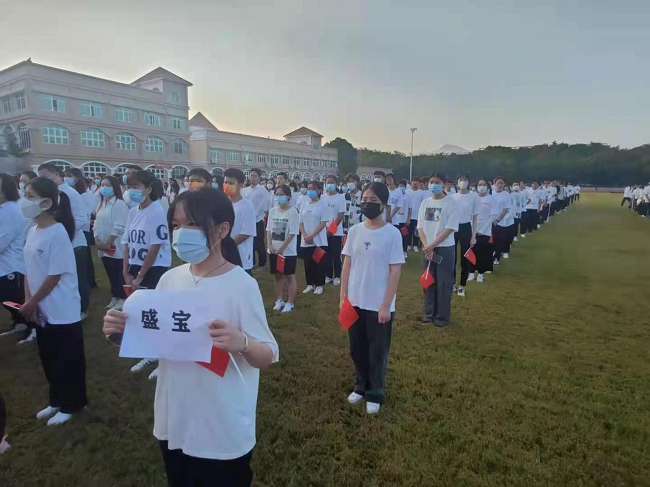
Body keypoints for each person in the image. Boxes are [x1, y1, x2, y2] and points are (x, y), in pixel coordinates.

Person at [103, 188, 278, 486]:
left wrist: (242, 343)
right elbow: (160, 342)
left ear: (222, 229)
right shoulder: (170, 279)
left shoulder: (241, 285)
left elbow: (268, 355)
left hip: (221, 426)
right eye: (176, 224)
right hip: (175, 418)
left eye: (192, 224)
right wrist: (121, 333)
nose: (181, 233)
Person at [20, 177, 87, 426]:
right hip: (40, 306)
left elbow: (54, 275)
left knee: (68, 358)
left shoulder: (58, 233)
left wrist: (33, 301)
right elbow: (29, 270)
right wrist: (28, 300)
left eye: (29, 196)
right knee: (49, 356)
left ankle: (74, 403)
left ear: (46, 203)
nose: (24, 201)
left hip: (61, 307)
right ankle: (57, 399)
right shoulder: (32, 231)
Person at [340, 182, 404, 415]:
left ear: (383, 204)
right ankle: (361, 385)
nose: (367, 204)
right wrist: (343, 297)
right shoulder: (355, 231)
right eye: (364, 200)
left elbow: (395, 271)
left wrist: (386, 305)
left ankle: (375, 392)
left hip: (378, 304)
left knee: (377, 350)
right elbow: (347, 265)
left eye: (373, 201)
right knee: (356, 348)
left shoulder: (392, 233)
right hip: (355, 301)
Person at [122, 170, 172, 377]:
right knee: (143, 312)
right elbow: (127, 242)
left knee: (156, 312)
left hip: (154, 269)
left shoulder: (156, 212)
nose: (131, 191)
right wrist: (126, 271)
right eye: (129, 186)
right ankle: (151, 352)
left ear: (148, 189)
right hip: (135, 266)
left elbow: (155, 247)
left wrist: (141, 275)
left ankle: (163, 355)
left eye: (136, 186)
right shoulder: (133, 212)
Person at [38, 163, 90, 319]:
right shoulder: (50, 195)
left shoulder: (70, 194)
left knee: (79, 279)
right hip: (58, 245)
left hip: (75, 244)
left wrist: (63, 234)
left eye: (45, 177)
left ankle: (82, 309)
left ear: (55, 174)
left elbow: (81, 219)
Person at [417, 173, 459, 326]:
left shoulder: (451, 202)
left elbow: (450, 227)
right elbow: (420, 226)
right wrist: (426, 246)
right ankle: (429, 313)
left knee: (444, 283)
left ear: (444, 184)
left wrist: (432, 245)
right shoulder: (425, 203)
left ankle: (441, 317)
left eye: (437, 182)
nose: (433, 185)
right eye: (431, 182)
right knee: (428, 281)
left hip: (444, 248)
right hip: (428, 249)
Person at [94, 176, 129, 311]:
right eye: (102, 185)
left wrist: (109, 242)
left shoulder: (119, 204)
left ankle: (122, 297)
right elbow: (96, 223)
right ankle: (115, 296)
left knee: (118, 272)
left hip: (116, 246)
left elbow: (119, 225)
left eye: (107, 185)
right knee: (110, 272)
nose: (104, 188)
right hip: (103, 246)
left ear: (114, 187)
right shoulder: (101, 204)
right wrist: (97, 239)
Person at [0, 174, 29, 338]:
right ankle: (18, 322)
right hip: (3, 265)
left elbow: (2, 240)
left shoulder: (10, 210)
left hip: (11, 265)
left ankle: (32, 328)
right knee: (6, 298)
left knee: (17, 298)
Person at [266, 185, 299, 313]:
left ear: (288, 196)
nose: (279, 197)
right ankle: (279, 300)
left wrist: (282, 248)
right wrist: (269, 245)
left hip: (288, 251)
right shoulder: (273, 211)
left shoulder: (293, 212)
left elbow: (292, 232)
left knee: (289, 276)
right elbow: (268, 230)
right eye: (277, 194)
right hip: (274, 250)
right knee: (277, 275)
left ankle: (290, 302)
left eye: (281, 195)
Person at [65, 167, 98, 289]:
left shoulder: (84, 195)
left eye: (70, 176)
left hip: (83, 229)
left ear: (77, 178)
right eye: (66, 175)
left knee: (86, 260)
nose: (66, 178)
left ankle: (90, 282)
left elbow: (89, 211)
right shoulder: (72, 193)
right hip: (79, 229)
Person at [223, 169, 257, 274]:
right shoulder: (221, 203)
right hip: (222, 256)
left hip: (240, 255)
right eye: (225, 182)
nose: (227, 185)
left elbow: (246, 233)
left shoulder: (247, 206)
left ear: (241, 185)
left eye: (231, 183)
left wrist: (227, 247)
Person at [451, 173, 479, 296]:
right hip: (453, 228)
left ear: (468, 182)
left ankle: (462, 285)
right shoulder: (452, 197)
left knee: (464, 258)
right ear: (457, 182)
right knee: (452, 258)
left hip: (466, 227)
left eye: (465, 180)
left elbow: (475, 218)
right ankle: (453, 284)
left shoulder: (473, 197)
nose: (463, 182)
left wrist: (473, 236)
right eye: (460, 180)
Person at [299, 181, 329, 295]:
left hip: (318, 240)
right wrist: (304, 235)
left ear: (319, 190)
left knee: (318, 263)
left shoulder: (323, 205)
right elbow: (300, 222)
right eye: (309, 188)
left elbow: (323, 223)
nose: (310, 191)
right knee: (308, 263)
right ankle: (310, 284)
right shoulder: (304, 204)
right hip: (305, 239)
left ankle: (319, 285)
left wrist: (312, 235)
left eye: (313, 189)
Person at [469, 180, 499, 283]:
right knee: (471, 251)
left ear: (488, 186)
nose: (482, 186)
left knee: (482, 253)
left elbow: (493, 215)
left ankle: (480, 274)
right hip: (472, 229)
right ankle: (471, 272)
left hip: (485, 231)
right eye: (480, 184)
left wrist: (483, 229)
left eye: (484, 184)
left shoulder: (491, 199)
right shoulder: (472, 197)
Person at [321, 175, 346, 286]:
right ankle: (328, 275)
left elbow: (340, 215)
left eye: (332, 182)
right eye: (328, 182)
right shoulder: (322, 197)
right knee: (326, 254)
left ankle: (337, 276)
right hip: (323, 230)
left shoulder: (340, 198)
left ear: (336, 184)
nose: (329, 184)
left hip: (336, 231)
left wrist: (331, 229)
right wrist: (324, 228)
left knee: (336, 255)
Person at [243, 168, 270, 270]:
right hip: (247, 220)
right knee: (250, 242)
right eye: (251, 175)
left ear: (259, 178)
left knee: (259, 242)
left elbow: (262, 206)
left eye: (255, 176)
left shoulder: (262, 190)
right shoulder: (245, 190)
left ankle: (262, 263)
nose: (252, 178)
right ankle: (252, 262)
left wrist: (252, 216)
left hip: (257, 220)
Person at [491, 177, 512, 265]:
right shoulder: (490, 193)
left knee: (498, 240)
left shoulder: (506, 195)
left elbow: (506, 209)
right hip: (489, 221)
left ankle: (497, 258)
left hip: (500, 222)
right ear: (494, 183)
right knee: (490, 241)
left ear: (504, 184)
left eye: (501, 183)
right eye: (498, 183)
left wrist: (498, 219)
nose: (499, 185)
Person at [406, 177, 424, 252]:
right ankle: (408, 245)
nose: (415, 183)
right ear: (411, 183)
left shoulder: (421, 193)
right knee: (408, 231)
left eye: (417, 181)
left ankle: (415, 245)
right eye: (414, 181)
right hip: (408, 215)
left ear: (419, 183)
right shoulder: (407, 192)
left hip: (417, 215)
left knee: (416, 232)